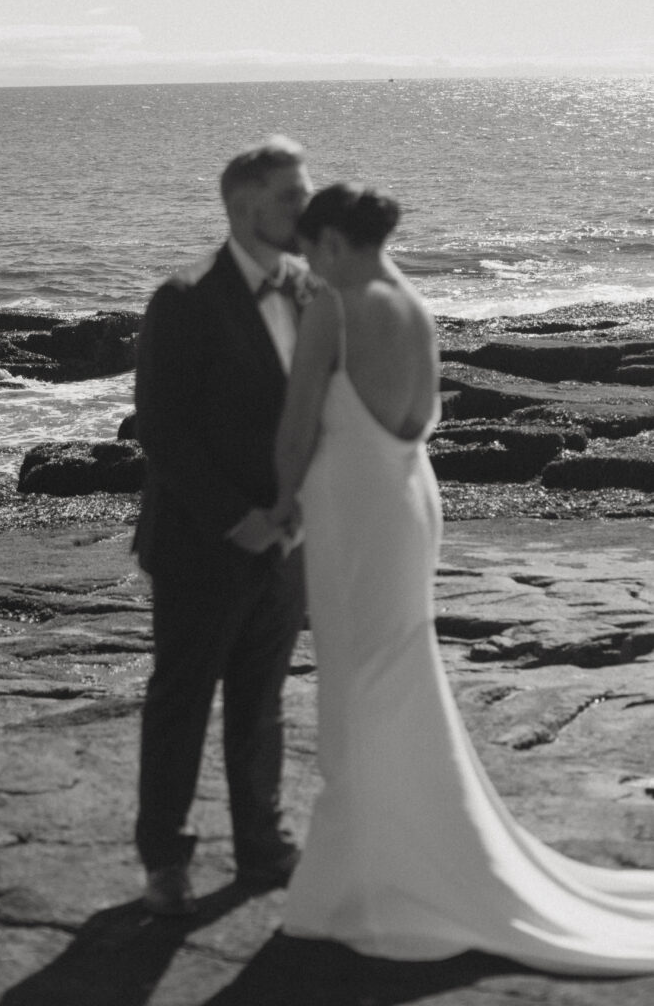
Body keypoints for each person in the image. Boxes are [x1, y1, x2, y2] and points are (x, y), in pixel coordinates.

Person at [268, 183, 654, 974]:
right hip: (406, 498)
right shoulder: (409, 299)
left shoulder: (335, 306)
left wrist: (277, 508)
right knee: (396, 669)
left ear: (332, 241)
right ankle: (396, 851)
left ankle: (370, 880)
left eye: (309, 247)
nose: (306, 262)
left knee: (358, 681)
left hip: (350, 507)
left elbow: (298, 418)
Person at [133, 136, 313, 914]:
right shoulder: (183, 298)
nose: (304, 209)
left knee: (261, 699)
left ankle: (260, 845)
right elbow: (160, 430)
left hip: (289, 543)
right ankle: (165, 858)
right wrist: (235, 520)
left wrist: (303, 508)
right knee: (182, 699)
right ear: (242, 209)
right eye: (290, 197)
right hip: (202, 544)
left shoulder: (308, 291)